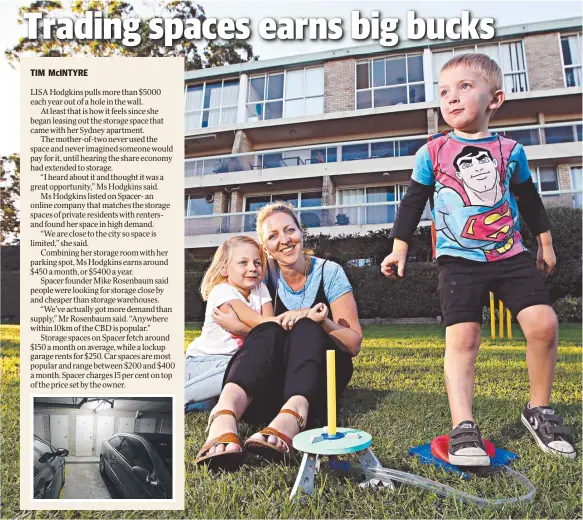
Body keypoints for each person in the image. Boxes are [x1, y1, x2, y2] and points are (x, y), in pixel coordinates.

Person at [381, 53, 575, 465]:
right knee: (463, 338)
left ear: (495, 99)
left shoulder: (512, 151)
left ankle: (538, 410)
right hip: (458, 260)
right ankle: (463, 425)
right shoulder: (431, 152)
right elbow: (413, 203)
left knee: (544, 324)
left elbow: (529, 199)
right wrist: (399, 247)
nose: (451, 98)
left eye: (465, 87)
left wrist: (545, 243)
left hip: (511, 255)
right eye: (444, 91)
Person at [195, 201, 363, 470]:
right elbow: (251, 320)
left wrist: (321, 322)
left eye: (289, 230)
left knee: (307, 327)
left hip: (315, 382)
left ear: (301, 231)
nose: (284, 240)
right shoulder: (261, 276)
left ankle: (292, 417)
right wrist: (244, 328)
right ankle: (224, 416)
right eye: (272, 236)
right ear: (265, 247)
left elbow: (353, 344)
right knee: (269, 329)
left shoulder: (329, 273)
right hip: (269, 383)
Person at [184, 236, 277, 416]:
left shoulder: (261, 289)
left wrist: (241, 329)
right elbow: (261, 324)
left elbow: (269, 332)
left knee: (256, 373)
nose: (252, 268)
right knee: (248, 370)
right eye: (243, 262)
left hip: (236, 361)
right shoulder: (222, 291)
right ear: (225, 269)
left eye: (257, 263)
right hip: (203, 363)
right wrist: (297, 316)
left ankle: (203, 403)